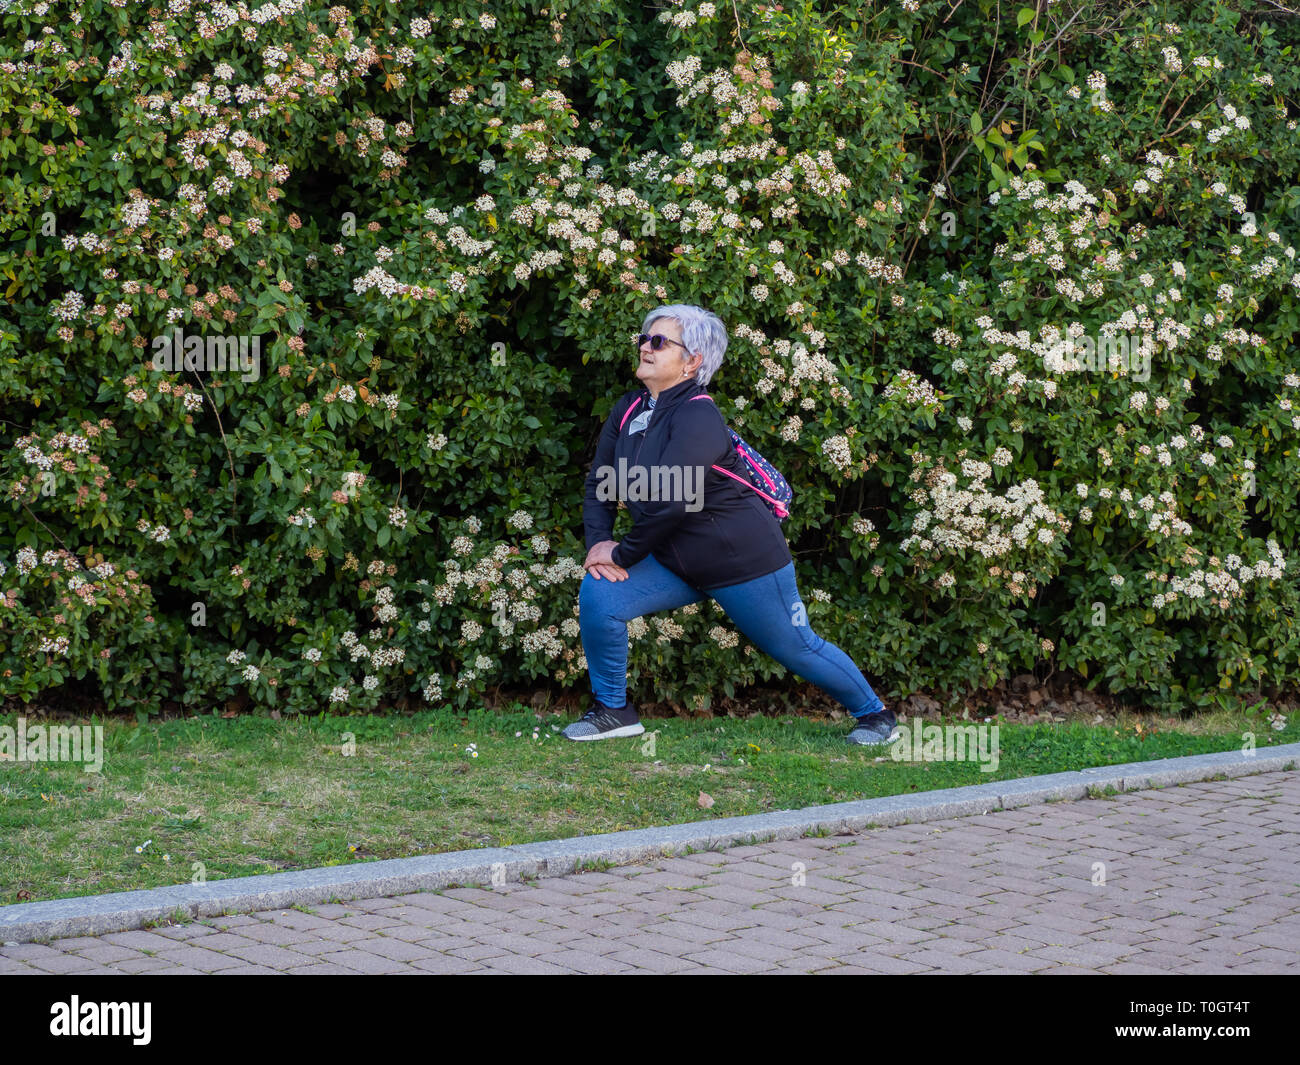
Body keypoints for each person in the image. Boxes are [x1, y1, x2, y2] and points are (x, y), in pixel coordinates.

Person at [565, 302, 896, 746]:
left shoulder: (698, 415)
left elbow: (674, 503)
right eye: (644, 338)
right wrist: (599, 542)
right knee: (601, 593)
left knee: (796, 646)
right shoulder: (627, 410)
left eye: (659, 341)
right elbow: (600, 484)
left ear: (692, 361)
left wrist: (621, 553)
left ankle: (875, 715)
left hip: (742, 561)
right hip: (674, 561)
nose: (646, 347)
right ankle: (613, 712)